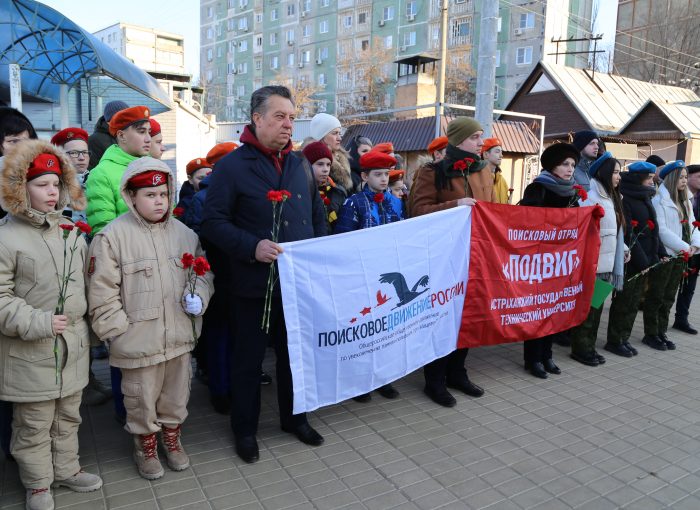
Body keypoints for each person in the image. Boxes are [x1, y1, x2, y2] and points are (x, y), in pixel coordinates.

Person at [201, 85, 327, 463]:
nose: (288, 124)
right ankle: (245, 430)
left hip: (296, 283)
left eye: (291, 117)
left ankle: (295, 419)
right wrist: (250, 247)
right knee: (248, 362)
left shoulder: (299, 163)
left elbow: (316, 217)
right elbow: (212, 222)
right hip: (251, 285)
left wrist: (319, 254)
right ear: (257, 119)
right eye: (279, 116)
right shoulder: (231, 168)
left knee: (295, 357)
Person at [87, 158, 213, 480]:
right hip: (137, 341)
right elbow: (101, 291)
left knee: (176, 395)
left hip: (179, 337)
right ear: (131, 196)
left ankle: (171, 439)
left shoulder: (185, 234)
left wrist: (200, 296)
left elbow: (203, 272)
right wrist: (118, 333)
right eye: (149, 195)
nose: (159, 201)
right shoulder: (112, 237)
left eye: (163, 194)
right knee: (140, 399)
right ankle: (144, 445)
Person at [0, 140, 102, 509]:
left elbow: (86, 286)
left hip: (71, 349)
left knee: (68, 416)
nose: (51, 191)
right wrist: (38, 321)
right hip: (30, 351)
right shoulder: (6, 237)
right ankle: (38, 484)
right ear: (20, 187)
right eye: (41, 184)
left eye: (56, 184)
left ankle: (67, 470)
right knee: (33, 425)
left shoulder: (71, 233)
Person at [409, 117, 492, 406]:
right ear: (458, 141)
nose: (481, 142)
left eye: (481, 137)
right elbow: (417, 212)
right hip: (442, 259)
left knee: (466, 316)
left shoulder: (484, 171)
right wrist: (454, 205)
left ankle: (458, 372)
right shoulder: (431, 171)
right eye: (475, 137)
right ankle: (435, 380)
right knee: (442, 318)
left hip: (474, 255)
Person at [85, 105, 152, 426]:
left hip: (158, 276)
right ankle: (126, 414)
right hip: (127, 280)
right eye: (141, 131)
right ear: (120, 134)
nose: (148, 136)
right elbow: (103, 236)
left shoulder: (153, 167)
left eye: (150, 131)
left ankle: (152, 412)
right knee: (125, 348)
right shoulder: (103, 174)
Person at [51, 127, 113, 404]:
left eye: (84, 152)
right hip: (64, 262)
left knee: (90, 320)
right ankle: (74, 381)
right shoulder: (53, 186)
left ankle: (88, 378)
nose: (80, 158)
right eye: (72, 153)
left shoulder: (94, 180)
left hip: (92, 257)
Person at [519, 143, 580, 378]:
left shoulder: (572, 192)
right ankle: (532, 359)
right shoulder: (537, 189)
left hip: (560, 262)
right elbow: (527, 224)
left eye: (573, 165)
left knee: (553, 308)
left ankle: (547, 355)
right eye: (565, 164)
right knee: (537, 310)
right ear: (552, 165)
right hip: (538, 262)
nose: (569, 169)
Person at [0, 106, 39, 462]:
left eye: (27, 141)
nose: (20, 149)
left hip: (27, 300)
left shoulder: (37, 179)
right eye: (13, 141)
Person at [570, 152, 628, 367]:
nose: (618, 177)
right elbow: (585, 233)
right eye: (615, 172)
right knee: (590, 309)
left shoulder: (612, 198)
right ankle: (581, 349)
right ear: (603, 173)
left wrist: (622, 247)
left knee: (597, 309)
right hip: (594, 264)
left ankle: (589, 347)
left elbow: (614, 231)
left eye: (619, 173)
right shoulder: (590, 198)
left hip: (607, 263)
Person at [606, 161, 666, 357]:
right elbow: (629, 232)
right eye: (648, 178)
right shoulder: (626, 198)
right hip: (631, 260)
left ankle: (624, 337)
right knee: (623, 301)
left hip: (645, 260)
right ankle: (614, 340)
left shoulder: (646, 196)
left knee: (633, 303)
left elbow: (654, 229)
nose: (652, 181)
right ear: (638, 178)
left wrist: (659, 253)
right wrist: (643, 261)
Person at [644, 161, 700, 350]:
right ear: (672, 178)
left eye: (686, 177)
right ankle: (651, 333)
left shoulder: (686, 201)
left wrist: (695, 245)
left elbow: (694, 225)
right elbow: (662, 231)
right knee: (657, 295)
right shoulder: (659, 200)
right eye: (681, 177)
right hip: (667, 255)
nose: (684, 181)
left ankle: (661, 331)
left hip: (681, 255)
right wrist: (685, 246)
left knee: (669, 296)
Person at [335, 151, 403, 234]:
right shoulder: (353, 203)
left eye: (386, 174)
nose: (384, 179)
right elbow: (343, 237)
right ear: (365, 176)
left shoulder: (397, 202)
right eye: (378, 174)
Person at [673, 164, 700, 334]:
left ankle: (681, 319)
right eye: (698, 176)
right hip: (678, 247)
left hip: (696, 248)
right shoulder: (679, 197)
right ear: (686, 177)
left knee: (689, 286)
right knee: (669, 285)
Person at [302, 141, 347, 232]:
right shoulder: (300, 192)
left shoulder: (338, 192)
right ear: (307, 165)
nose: (325, 169)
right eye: (320, 164)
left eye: (328, 165)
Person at [310, 113, 354, 194]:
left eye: (340, 133)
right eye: (334, 133)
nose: (339, 138)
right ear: (321, 135)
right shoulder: (310, 159)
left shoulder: (342, 158)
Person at [88, 100, 128, 170]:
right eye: (121, 118)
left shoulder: (127, 135)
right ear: (109, 121)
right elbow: (93, 168)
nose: (127, 121)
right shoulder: (94, 140)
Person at [481, 137, 510, 204]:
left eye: (501, 152)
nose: (501, 155)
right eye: (497, 152)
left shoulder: (502, 180)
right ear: (486, 154)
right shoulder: (478, 179)